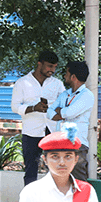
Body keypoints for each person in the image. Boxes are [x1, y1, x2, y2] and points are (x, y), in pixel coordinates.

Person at [11, 50, 64, 186]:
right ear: (39, 64)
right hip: (31, 132)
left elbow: (64, 103)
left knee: (55, 169)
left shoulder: (57, 84)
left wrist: (52, 108)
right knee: (30, 170)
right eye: (49, 66)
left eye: (54, 67)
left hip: (52, 131)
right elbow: (15, 107)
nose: (52, 70)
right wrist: (34, 108)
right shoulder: (22, 83)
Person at [49, 60, 93, 181]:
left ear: (73, 77)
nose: (64, 76)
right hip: (60, 143)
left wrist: (60, 112)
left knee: (78, 179)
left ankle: (81, 200)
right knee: (60, 180)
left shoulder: (87, 95)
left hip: (77, 144)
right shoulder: (64, 94)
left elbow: (69, 113)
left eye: (67, 73)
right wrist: (63, 113)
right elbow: (49, 112)